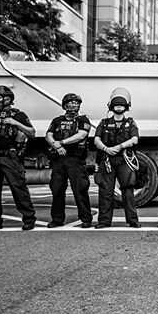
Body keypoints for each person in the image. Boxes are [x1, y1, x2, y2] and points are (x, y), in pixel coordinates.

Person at [93, 88, 140, 229]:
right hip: (107, 159)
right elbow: (96, 139)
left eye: (121, 105)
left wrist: (119, 147)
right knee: (106, 191)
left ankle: (133, 220)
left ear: (126, 107)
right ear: (111, 107)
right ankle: (104, 221)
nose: (119, 107)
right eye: (116, 105)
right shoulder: (104, 123)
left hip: (124, 160)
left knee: (128, 191)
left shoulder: (130, 123)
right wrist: (106, 149)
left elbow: (135, 139)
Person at [45, 93, 93, 228]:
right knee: (57, 190)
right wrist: (56, 145)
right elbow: (48, 135)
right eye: (71, 103)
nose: (74, 105)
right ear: (65, 105)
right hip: (58, 160)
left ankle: (86, 219)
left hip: (75, 160)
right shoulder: (57, 120)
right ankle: (57, 219)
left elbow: (81, 135)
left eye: (76, 103)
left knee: (80, 190)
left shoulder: (83, 120)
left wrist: (61, 143)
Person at [0, 85, 36, 230]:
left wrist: (15, 123)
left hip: (10, 157)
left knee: (18, 188)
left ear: (9, 99)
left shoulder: (17, 114)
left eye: (0, 97)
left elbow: (32, 133)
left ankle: (28, 219)